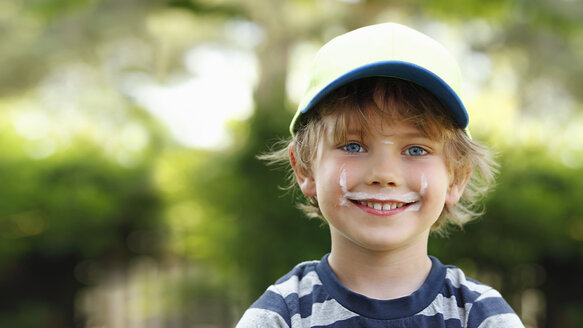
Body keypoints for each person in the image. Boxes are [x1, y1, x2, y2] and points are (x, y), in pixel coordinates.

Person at [236, 22, 524, 327]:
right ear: (305, 167)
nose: (384, 174)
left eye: (416, 150)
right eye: (353, 145)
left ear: (456, 178)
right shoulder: (280, 316)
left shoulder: (481, 315)